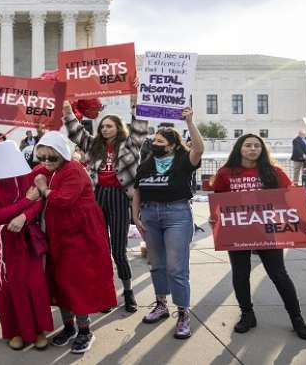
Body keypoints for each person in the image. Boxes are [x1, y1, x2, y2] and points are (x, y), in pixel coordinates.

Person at [212, 134, 306, 339]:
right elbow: (218, 201)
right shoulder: (225, 173)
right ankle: (247, 315)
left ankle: (297, 318)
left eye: (257, 145)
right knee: (240, 274)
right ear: (239, 148)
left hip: (269, 230)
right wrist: (214, 219)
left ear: (262, 149)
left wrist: (304, 223)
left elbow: (291, 198)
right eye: (248, 145)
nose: (252, 149)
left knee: (279, 274)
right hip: (238, 230)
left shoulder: (274, 172)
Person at [32, 132, 117, 354]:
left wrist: (43, 188)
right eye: (42, 158)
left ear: (62, 155)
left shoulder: (73, 170)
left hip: (80, 236)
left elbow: (63, 200)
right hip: (60, 235)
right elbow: (26, 175)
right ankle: (69, 327)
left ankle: (85, 330)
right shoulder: (53, 168)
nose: (46, 162)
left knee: (76, 283)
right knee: (60, 282)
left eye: (51, 158)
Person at [62, 100, 148, 313]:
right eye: (102, 126)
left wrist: (135, 104)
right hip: (97, 197)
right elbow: (75, 132)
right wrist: (66, 110)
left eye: (109, 125)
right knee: (99, 250)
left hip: (119, 197)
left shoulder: (130, 145)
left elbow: (140, 127)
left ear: (119, 127)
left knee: (119, 250)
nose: (105, 128)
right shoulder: (93, 145)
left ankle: (128, 292)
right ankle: (104, 294)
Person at [131, 107, 203, 340]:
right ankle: (161, 304)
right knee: (157, 265)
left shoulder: (184, 158)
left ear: (171, 144)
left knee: (176, 268)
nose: (155, 143)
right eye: (154, 140)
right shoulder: (147, 163)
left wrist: (190, 122)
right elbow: (137, 191)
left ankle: (183, 313)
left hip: (177, 214)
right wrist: (135, 216)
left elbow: (199, 149)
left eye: (160, 141)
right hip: (150, 216)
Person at [0, 141, 53, 350]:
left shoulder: (26, 174)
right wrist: (26, 202)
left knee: (34, 283)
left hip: (26, 236)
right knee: (8, 286)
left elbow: (39, 202)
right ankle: (15, 331)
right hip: (0, 241)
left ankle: (38, 329)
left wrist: (23, 217)